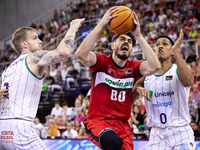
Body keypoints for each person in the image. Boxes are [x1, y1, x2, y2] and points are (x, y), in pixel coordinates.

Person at [76, 6, 160, 150]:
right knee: (113, 142)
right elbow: (81, 55)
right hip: (99, 121)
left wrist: (138, 36)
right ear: (113, 45)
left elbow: (155, 67)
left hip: (123, 124)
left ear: (132, 50)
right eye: (122, 39)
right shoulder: (101, 62)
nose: (126, 42)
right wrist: (102, 24)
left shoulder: (134, 67)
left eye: (129, 41)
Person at [0, 18, 84, 149]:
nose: (40, 41)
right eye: (34, 38)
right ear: (24, 44)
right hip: (20, 127)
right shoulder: (32, 58)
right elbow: (64, 53)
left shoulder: (7, 70)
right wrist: (73, 27)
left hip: (3, 129)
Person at [132, 30, 196, 149]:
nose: (160, 46)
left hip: (180, 131)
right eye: (157, 44)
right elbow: (132, 92)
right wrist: (138, 89)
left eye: (165, 44)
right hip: (157, 134)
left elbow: (189, 81)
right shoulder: (147, 76)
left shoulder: (179, 69)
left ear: (172, 51)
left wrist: (176, 50)